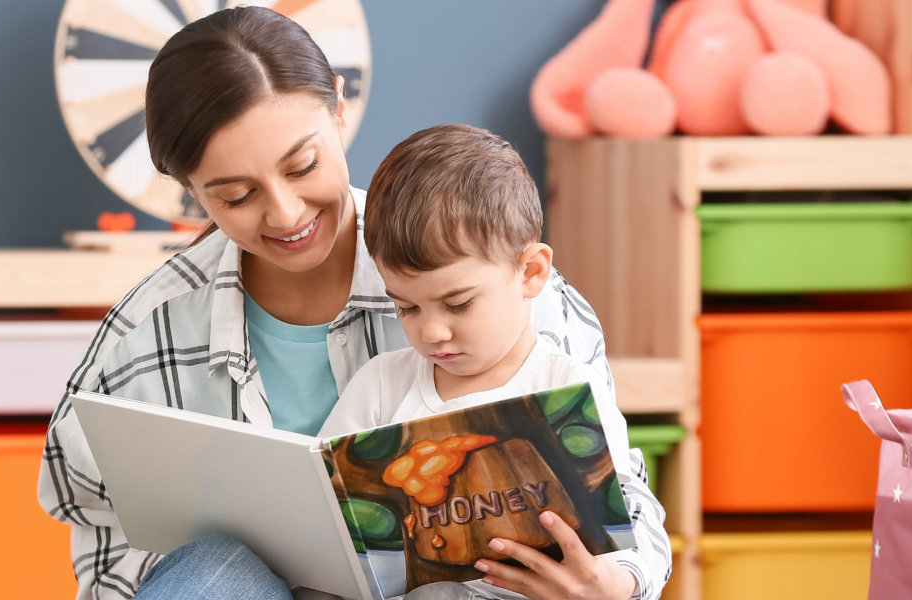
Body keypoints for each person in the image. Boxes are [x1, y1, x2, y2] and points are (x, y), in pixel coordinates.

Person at [36, 6, 666, 599]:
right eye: (234, 195)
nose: (285, 213)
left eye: (303, 164)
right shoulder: (148, 332)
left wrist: (614, 582)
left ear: (339, 107)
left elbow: (627, 508)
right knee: (213, 565)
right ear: (190, 191)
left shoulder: (508, 288)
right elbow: (100, 532)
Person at [316, 124, 669, 600]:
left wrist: (614, 583)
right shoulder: (381, 385)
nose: (432, 332)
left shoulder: (565, 385)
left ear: (530, 272)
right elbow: (323, 511)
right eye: (407, 308)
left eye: (458, 304)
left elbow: (625, 524)